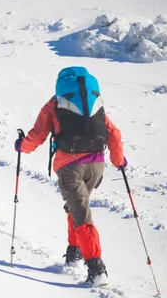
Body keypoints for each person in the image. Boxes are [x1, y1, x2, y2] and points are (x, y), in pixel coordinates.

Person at [14, 67, 126, 287]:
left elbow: (36, 137)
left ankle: (96, 269)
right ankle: (74, 254)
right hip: (96, 165)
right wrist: (119, 160)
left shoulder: (54, 104)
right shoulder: (93, 105)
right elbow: (113, 133)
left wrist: (21, 146)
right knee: (75, 208)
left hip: (69, 165)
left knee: (82, 215)